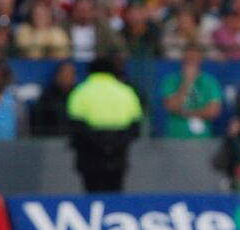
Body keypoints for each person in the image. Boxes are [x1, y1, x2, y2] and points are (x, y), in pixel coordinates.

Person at [67, 58, 142, 192]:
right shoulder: (127, 92)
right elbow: (135, 127)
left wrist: (99, 144)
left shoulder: (80, 92)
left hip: (89, 153)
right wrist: (113, 145)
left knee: (92, 193)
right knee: (114, 193)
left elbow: (76, 126)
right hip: (118, 153)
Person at [160, 43, 222, 138]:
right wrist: (187, 82)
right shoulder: (171, 80)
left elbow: (213, 111)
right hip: (175, 137)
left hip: (202, 139)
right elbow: (171, 106)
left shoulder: (210, 82)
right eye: (188, 59)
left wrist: (186, 113)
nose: (191, 62)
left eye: (194, 59)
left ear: (200, 60)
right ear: (182, 59)